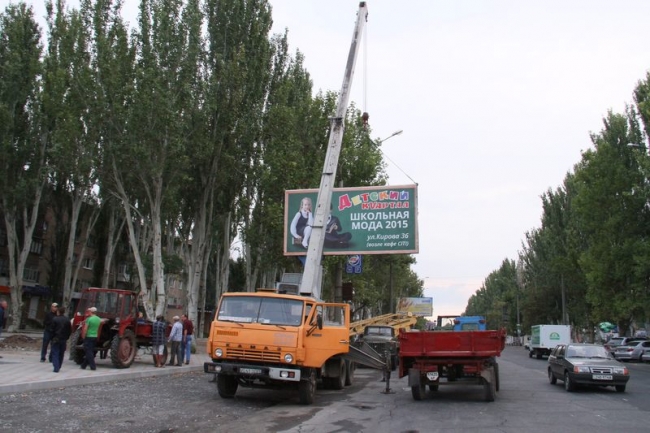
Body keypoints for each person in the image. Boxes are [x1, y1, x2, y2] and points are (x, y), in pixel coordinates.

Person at [50, 306, 72, 373]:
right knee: (61, 353)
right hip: (63, 338)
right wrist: (67, 337)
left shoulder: (55, 319)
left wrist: (51, 337)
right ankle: (59, 365)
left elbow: (52, 329)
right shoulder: (67, 320)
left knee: (55, 352)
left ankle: (56, 367)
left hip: (56, 338)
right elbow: (69, 330)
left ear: (58, 312)